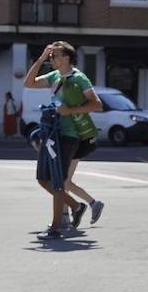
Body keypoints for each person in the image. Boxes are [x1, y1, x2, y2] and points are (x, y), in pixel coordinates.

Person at [23, 42, 103, 240]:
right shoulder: (54, 77)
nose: (52, 59)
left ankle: (55, 227)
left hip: (69, 135)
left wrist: (70, 111)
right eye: (50, 56)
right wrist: (41, 59)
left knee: (58, 181)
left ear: (67, 57)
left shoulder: (79, 79)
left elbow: (97, 104)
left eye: (55, 56)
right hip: (51, 133)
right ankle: (76, 207)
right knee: (43, 179)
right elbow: (28, 83)